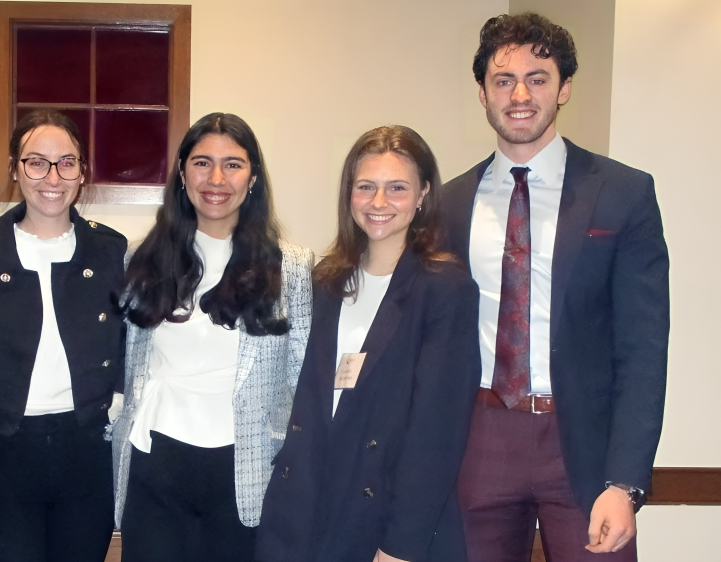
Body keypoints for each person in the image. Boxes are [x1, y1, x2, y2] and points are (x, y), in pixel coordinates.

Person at [441, 13, 669, 562]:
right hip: (479, 439)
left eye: (538, 77)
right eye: (503, 80)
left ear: (564, 87)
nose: (520, 94)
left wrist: (625, 482)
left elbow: (643, 351)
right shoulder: (446, 205)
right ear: (482, 93)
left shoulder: (623, 194)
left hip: (584, 450)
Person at [255, 126, 481, 562]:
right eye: (366, 187)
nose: (379, 203)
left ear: (423, 195)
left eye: (397, 188)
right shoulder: (323, 282)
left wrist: (401, 544)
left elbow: (437, 433)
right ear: (349, 195)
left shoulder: (444, 289)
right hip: (306, 508)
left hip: (386, 516)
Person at [111, 112, 313, 562]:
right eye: (202, 162)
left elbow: (301, 382)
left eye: (233, 164)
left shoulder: (292, 267)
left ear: (253, 177)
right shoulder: (141, 259)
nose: (216, 178)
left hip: (244, 471)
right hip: (155, 466)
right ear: (182, 174)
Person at [0, 109, 126, 562]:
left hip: (85, 448)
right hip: (1, 447)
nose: (53, 176)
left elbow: (129, 341)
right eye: (36, 161)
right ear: (14, 169)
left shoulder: (110, 250)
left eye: (67, 162)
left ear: (82, 171)